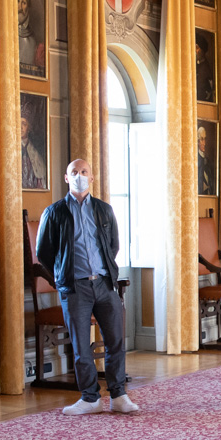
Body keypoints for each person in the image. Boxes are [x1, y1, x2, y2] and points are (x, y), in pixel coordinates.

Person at [35, 159, 138, 415]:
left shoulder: (104, 210)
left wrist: (103, 274)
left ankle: (119, 395)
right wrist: (63, 276)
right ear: (66, 178)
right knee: (81, 346)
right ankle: (90, 398)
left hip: (104, 284)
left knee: (115, 342)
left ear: (91, 178)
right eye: (74, 172)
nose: (79, 176)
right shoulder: (54, 212)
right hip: (75, 288)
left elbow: (112, 245)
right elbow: (43, 253)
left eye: (84, 172)